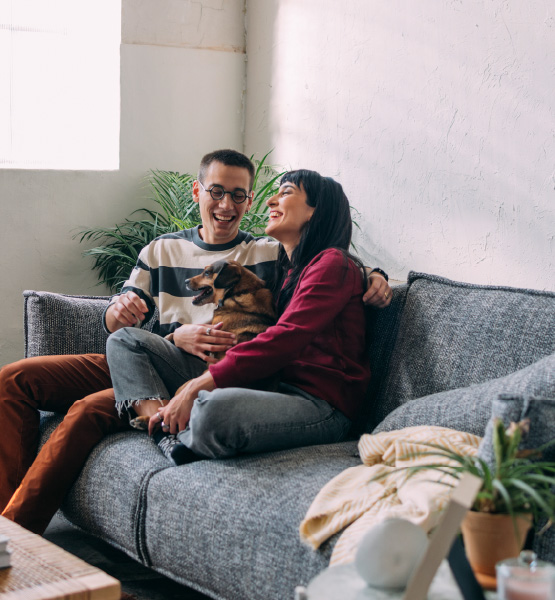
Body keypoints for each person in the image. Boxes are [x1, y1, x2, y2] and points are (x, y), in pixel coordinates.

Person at [0, 150, 391, 534]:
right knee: (14, 379)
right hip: (156, 352)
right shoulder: (161, 249)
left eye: (238, 195)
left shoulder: (269, 252)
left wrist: (374, 274)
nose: (226, 204)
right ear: (197, 192)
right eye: (217, 191)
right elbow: (116, 317)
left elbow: (327, 261)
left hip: (215, 369)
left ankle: (14, 533)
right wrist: (147, 323)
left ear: (249, 201)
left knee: (88, 409)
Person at [107, 169, 375, 463]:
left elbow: (285, 337)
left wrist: (199, 385)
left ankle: (171, 427)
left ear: (315, 210)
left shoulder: (332, 263)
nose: (271, 201)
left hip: (321, 406)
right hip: (268, 385)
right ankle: (165, 425)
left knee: (213, 410)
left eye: (285, 193)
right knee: (125, 341)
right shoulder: (289, 272)